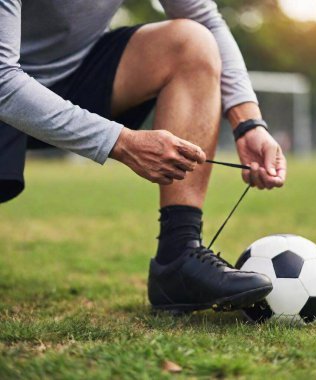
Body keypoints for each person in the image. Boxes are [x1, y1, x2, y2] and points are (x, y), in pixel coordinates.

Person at [0, 0, 287, 312]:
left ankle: (178, 258)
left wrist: (248, 124)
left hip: (74, 74)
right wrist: (121, 142)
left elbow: (205, 17)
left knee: (192, 41)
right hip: (7, 80)